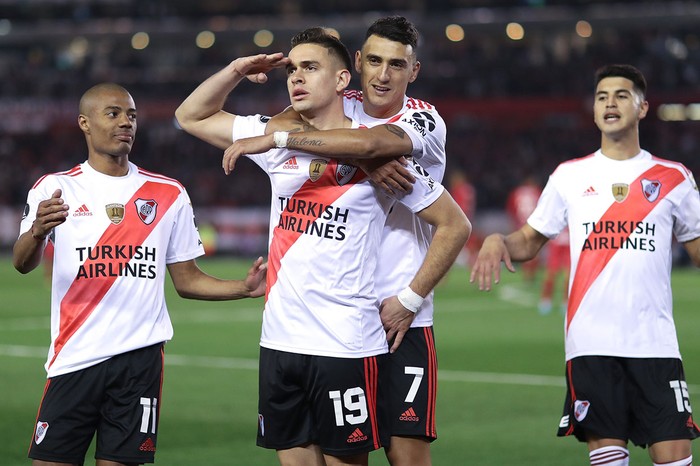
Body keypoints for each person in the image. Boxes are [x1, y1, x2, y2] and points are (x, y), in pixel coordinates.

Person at [176, 28, 471, 466]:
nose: (383, 74)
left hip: (387, 316)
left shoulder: (411, 129)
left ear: (414, 70)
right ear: (355, 66)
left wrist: (410, 298)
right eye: (374, 61)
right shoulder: (310, 118)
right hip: (297, 330)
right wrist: (239, 70)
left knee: (405, 453)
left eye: (396, 64)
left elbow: (377, 147)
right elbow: (194, 117)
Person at [12, 83, 267, 466]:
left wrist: (243, 288)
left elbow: (187, 280)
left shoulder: (168, 193)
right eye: (112, 113)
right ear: (85, 122)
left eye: (131, 115)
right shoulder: (57, 187)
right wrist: (36, 232)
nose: (125, 122)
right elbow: (22, 262)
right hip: (75, 359)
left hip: (139, 362)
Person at [470, 64, 700, 466]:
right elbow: (529, 239)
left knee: (676, 456)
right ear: (594, 111)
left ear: (643, 108)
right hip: (592, 344)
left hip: (655, 343)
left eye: (622, 95)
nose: (610, 102)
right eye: (601, 97)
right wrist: (497, 240)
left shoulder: (674, 178)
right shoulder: (569, 176)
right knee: (610, 459)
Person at [505, 175, 542, 282]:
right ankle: (531, 274)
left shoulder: (516, 192)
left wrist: (514, 222)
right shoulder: (536, 191)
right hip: (534, 223)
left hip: (520, 223)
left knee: (525, 248)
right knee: (535, 247)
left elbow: (511, 209)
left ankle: (527, 274)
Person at [537, 227, 570, 315]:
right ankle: (546, 300)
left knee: (569, 275)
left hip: (569, 244)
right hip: (556, 243)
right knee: (551, 273)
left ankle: (566, 302)